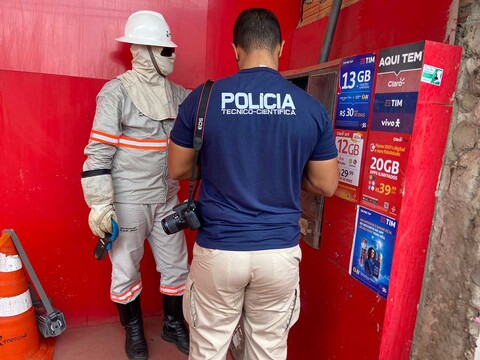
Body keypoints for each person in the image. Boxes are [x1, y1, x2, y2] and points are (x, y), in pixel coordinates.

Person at [167, 8, 339, 360]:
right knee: (266, 351)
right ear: (280, 47)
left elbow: (177, 168)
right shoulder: (310, 108)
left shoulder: (203, 100)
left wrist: (222, 165)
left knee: (209, 349)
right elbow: (326, 184)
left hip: (219, 251)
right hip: (278, 254)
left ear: (235, 49)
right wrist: (285, 173)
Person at [80, 10, 190, 360]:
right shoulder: (116, 93)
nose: (171, 56)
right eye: (164, 50)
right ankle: (133, 331)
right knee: (125, 270)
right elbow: (98, 153)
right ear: (142, 49)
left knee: (177, 267)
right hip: (128, 198)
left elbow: (209, 114)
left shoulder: (178, 95)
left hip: (167, 197)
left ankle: (173, 325)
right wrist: (100, 205)